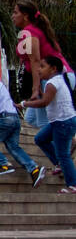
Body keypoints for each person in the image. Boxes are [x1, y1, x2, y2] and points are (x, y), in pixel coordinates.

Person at [12, 0, 71, 131]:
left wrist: (35, 88)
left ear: (25, 16)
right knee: (30, 121)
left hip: (50, 78)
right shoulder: (34, 30)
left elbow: (36, 61)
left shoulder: (30, 33)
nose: (13, 16)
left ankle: (60, 147)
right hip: (57, 76)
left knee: (44, 122)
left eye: (15, 13)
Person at [21, 54, 76, 192]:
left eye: (42, 67)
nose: (39, 70)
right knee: (40, 139)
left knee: (63, 154)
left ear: (53, 69)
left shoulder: (52, 83)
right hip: (58, 122)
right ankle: (58, 164)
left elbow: (44, 102)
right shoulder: (57, 80)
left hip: (63, 122)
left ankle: (73, 185)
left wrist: (24, 104)